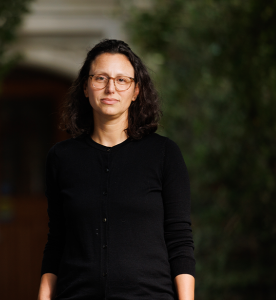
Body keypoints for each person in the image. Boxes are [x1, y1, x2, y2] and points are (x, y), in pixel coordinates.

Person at [38, 39, 195, 300]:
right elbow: (57, 241)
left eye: (122, 80)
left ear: (136, 91)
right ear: (86, 87)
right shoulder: (61, 157)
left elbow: (179, 239)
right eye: (101, 78)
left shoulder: (164, 154)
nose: (111, 88)